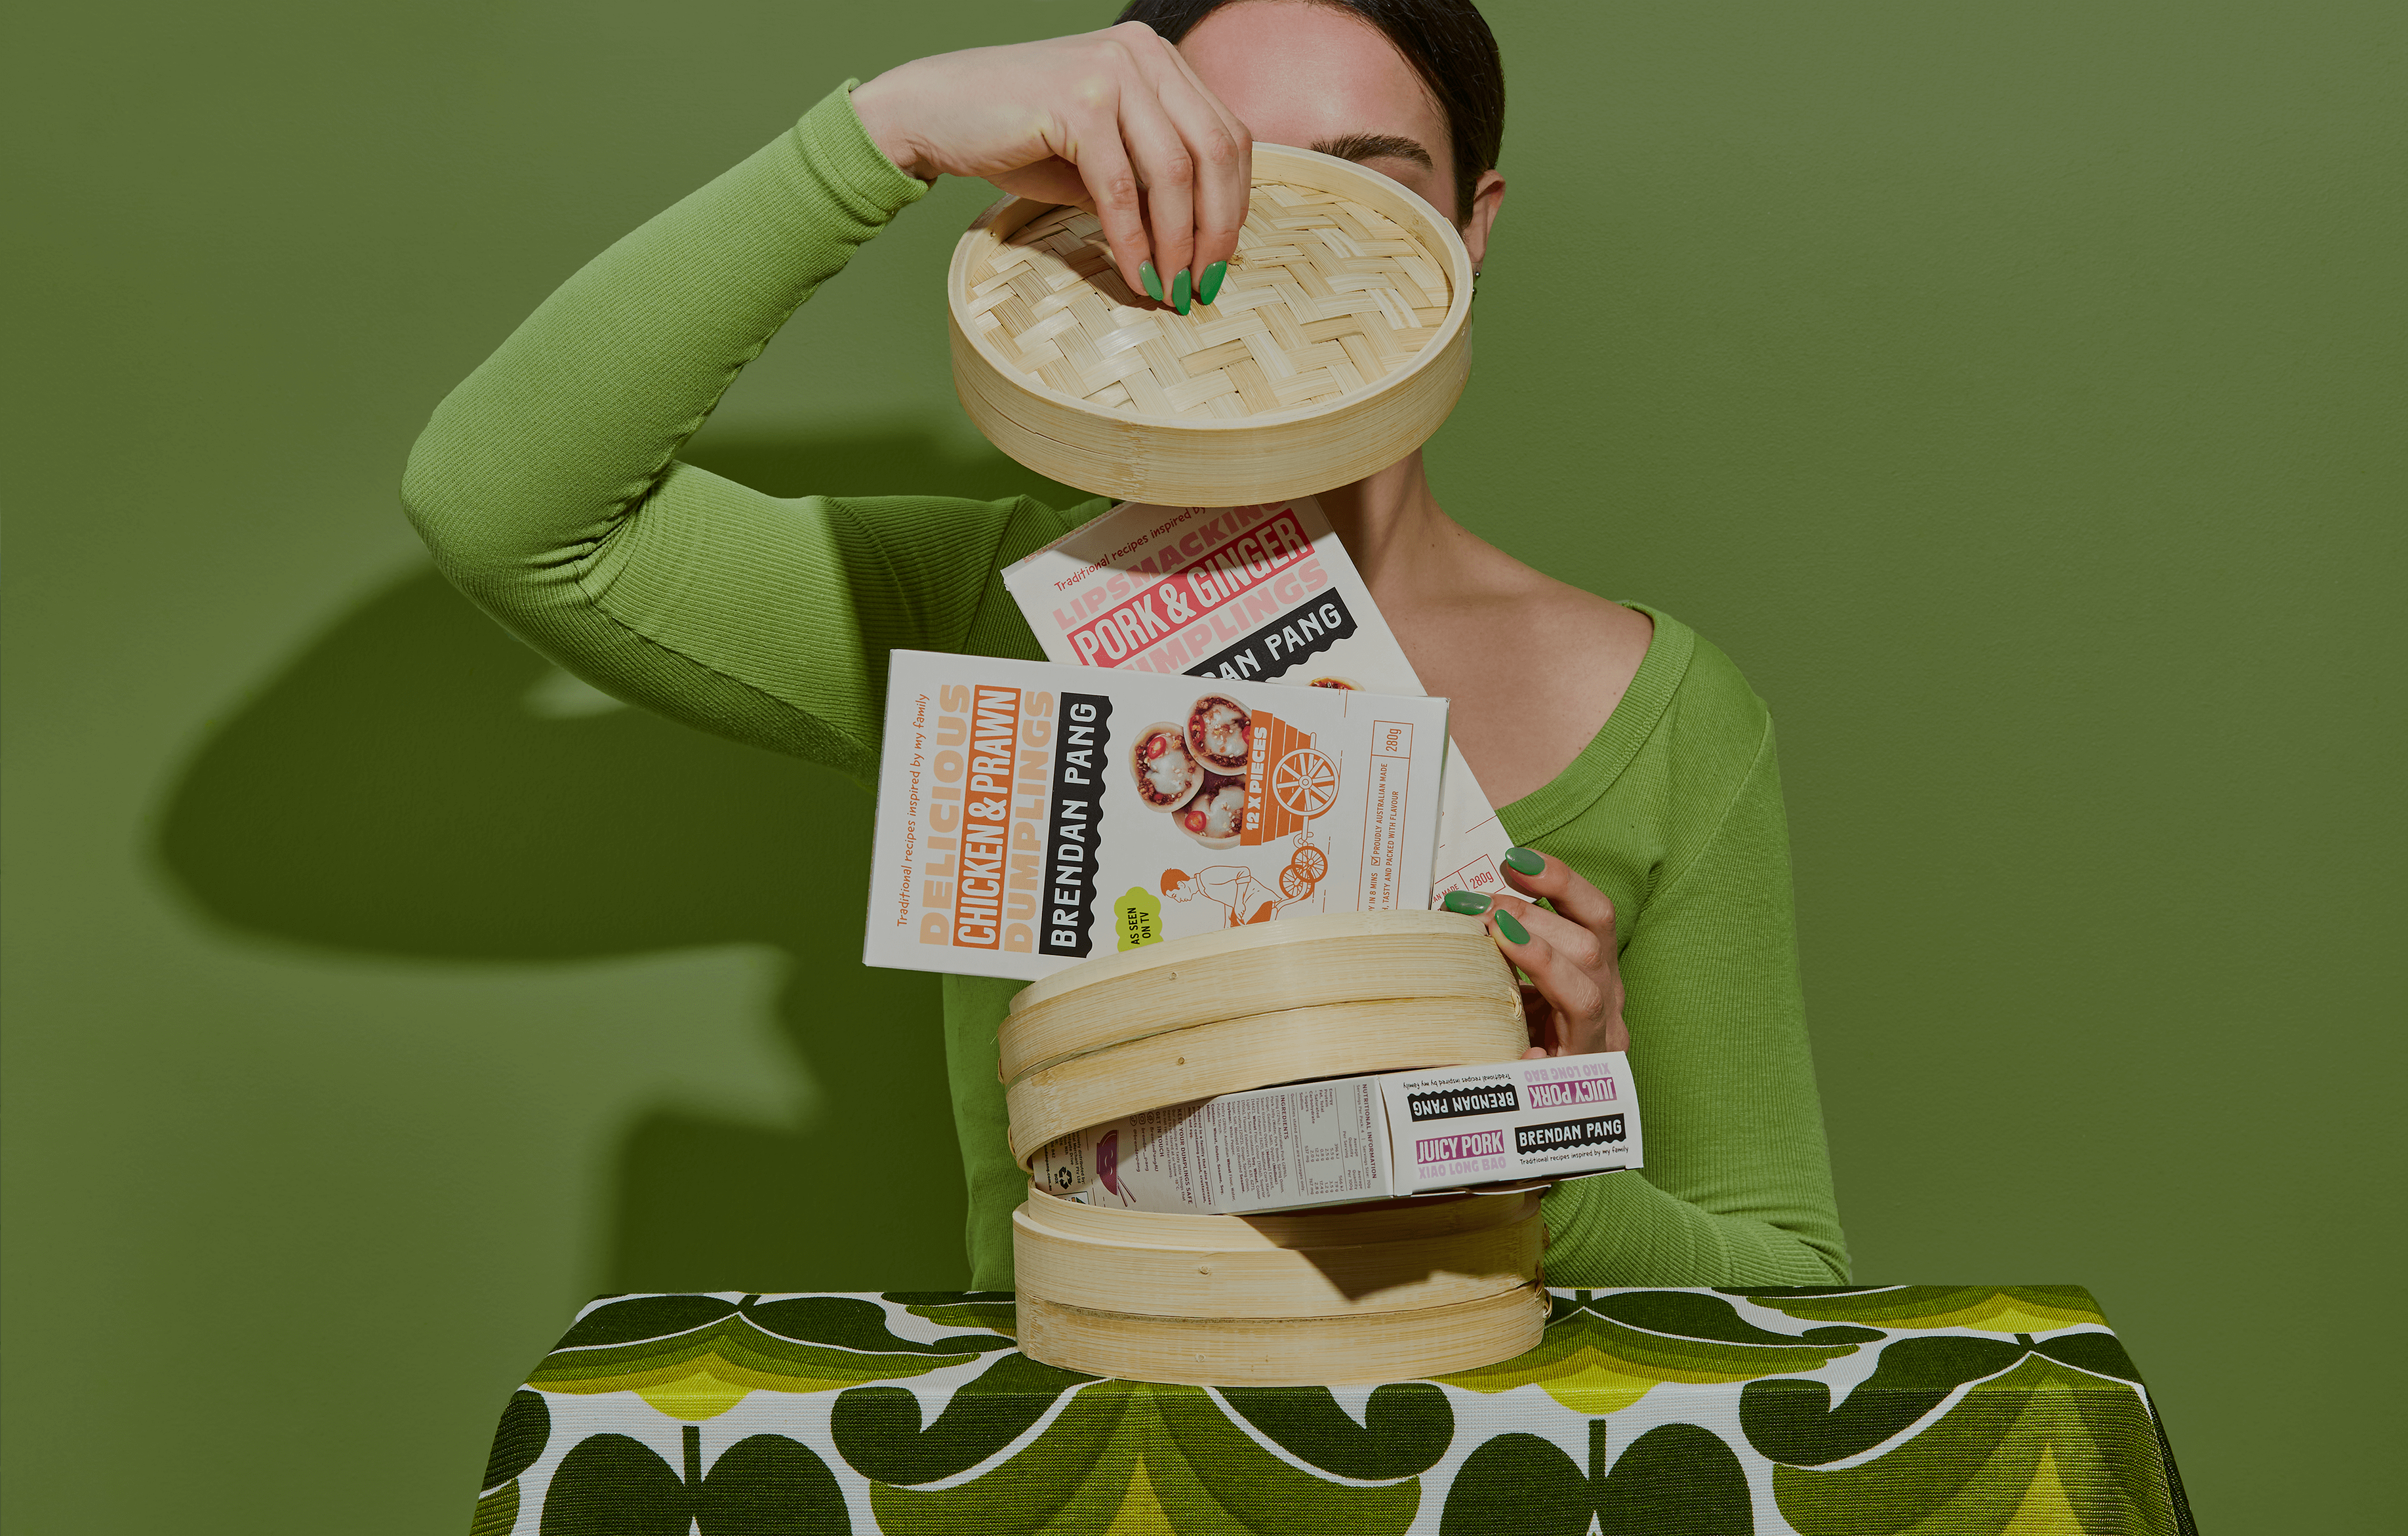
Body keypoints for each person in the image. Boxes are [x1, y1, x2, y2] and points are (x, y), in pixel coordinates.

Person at [402, 0, 1847, 1289]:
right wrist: (885, 134)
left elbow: (1789, 1296)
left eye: (1365, 176)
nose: (1289, 231)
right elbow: (508, 512)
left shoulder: (1664, 711)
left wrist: (1546, 1157)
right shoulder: (987, 609)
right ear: (1113, 204)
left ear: (1472, 226)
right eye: (1214, 169)